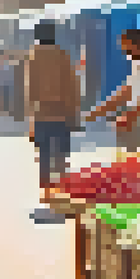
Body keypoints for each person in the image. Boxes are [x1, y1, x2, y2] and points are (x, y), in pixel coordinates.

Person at [24, 21, 82, 193]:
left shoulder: (34, 56)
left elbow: (31, 89)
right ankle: (62, 191)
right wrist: (74, 114)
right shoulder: (64, 55)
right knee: (61, 157)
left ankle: (47, 192)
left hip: (42, 114)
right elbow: (73, 86)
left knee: (44, 156)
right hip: (63, 113)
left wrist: (31, 120)